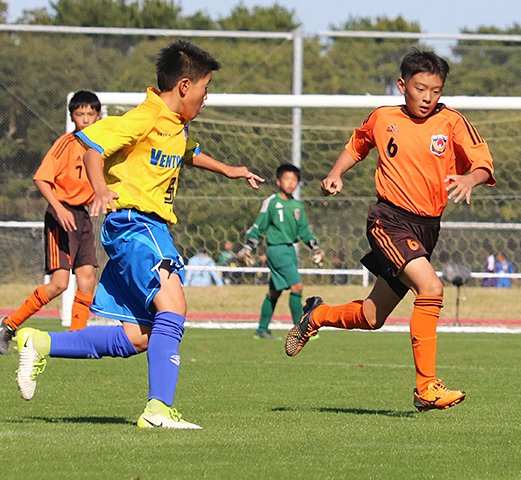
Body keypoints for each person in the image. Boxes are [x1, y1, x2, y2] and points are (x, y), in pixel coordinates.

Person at [13, 40, 264, 429]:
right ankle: (158, 411)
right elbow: (93, 148)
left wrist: (229, 168)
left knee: (140, 336)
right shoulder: (145, 116)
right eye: (205, 86)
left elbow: (187, 152)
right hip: (136, 223)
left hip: (147, 228)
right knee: (174, 306)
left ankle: (40, 342)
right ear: (184, 86)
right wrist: (98, 188)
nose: (206, 96)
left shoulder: (175, 126)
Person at [284, 48, 495, 411]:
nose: (428, 98)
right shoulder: (383, 118)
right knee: (431, 287)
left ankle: (315, 315)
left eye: (436, 91)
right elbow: (358, 144)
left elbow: (483, 163)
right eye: (420, 88)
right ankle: (426, 388)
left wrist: (469, 178)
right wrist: (336, 173)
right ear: (402, 85)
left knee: (371, 316)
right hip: (388, 220)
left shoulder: (452, 122)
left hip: (427, 228)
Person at [0, 91, 102, 355]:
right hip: (61, 215)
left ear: (99, 115)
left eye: (91, 113)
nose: (86, 118)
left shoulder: (103, 146)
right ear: (72, 117)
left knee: (88, 280)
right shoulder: (65, 144)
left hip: (82, 216)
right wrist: (59, 208)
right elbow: (41, 178)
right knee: (59, 283)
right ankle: (9, 325)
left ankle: (77, 340)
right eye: (80, 114)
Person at [238, 164, 324, 340]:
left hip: (290, 251)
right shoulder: (271, 202)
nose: (290, 183)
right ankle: (300, 330)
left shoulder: (297, 205)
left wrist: (315, 247)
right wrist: (247, 248)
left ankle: (261, 330)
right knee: (297, 286)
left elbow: (304, 231)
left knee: (274, 292)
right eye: (287, 179)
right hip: (276, 249)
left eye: (294, 180)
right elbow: (258, 225)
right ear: (278, 181)